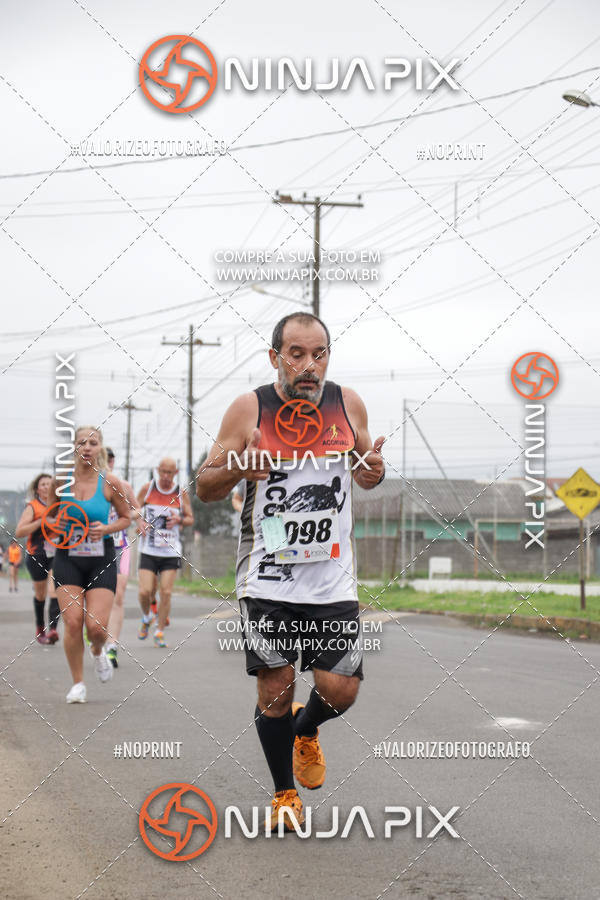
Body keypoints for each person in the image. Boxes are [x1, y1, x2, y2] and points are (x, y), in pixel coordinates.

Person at [196, 312, 385, 829]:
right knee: (274, 687)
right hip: (267, 573)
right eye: (296, 354)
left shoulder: (348, 404)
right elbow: (205, 485)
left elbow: (367, 472)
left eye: (318, 353)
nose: (308, 365)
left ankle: (307, 729)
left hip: (331, 576)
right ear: (275, 356)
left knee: (342, 689)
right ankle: (284, 793)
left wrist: (374, 470)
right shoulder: (249, 409)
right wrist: (239, 468)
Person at [49, 425, 131, 703]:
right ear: (74, 447)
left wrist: (105, 529)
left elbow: (125, 518)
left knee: (96, 628)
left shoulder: (110, 482)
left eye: (93, 443)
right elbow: (47, 518)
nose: (87, 447)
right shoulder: (60, 481)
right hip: (67, 557)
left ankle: (97, 652)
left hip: (101, 558)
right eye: (82, 442)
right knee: (72, 623)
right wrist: (55, 524)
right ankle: (78, 684)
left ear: (100, 448)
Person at [136, 458, 193, 648]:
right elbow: (133, 510)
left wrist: (179, 519)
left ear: (176, 473)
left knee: (166, 592)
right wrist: (140, 523)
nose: (167, 477)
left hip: (170, 551)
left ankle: (159, 631)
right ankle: (146, 617)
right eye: (164, 472)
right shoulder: (147, 488)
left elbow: (190, 518)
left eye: (170, 473)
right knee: (145, 591)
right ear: (158, 471)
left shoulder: (180, 493)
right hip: (149, 549)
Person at [104, 448, 140, 668]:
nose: (108, 463)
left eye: (110, 460)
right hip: (94, 548)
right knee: (94, 599)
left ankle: (112, 646)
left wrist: (123, 516)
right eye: (104, 460)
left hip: (120, 545)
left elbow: (138, 510)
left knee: (119, 595)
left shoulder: (123, 486)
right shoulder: (89, 487)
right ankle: (96, 633)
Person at [15, 473, 60, 644]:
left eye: (50, 484)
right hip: (37, 554)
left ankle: (53, 629)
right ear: (37, 489)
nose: (47, 487)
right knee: (41, 594)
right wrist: (42, 522)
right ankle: (40, 629)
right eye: (43, 484)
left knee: (54, 589)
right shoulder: (32, 507)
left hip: (57, 553)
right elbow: (19, 532)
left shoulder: (61, 505)